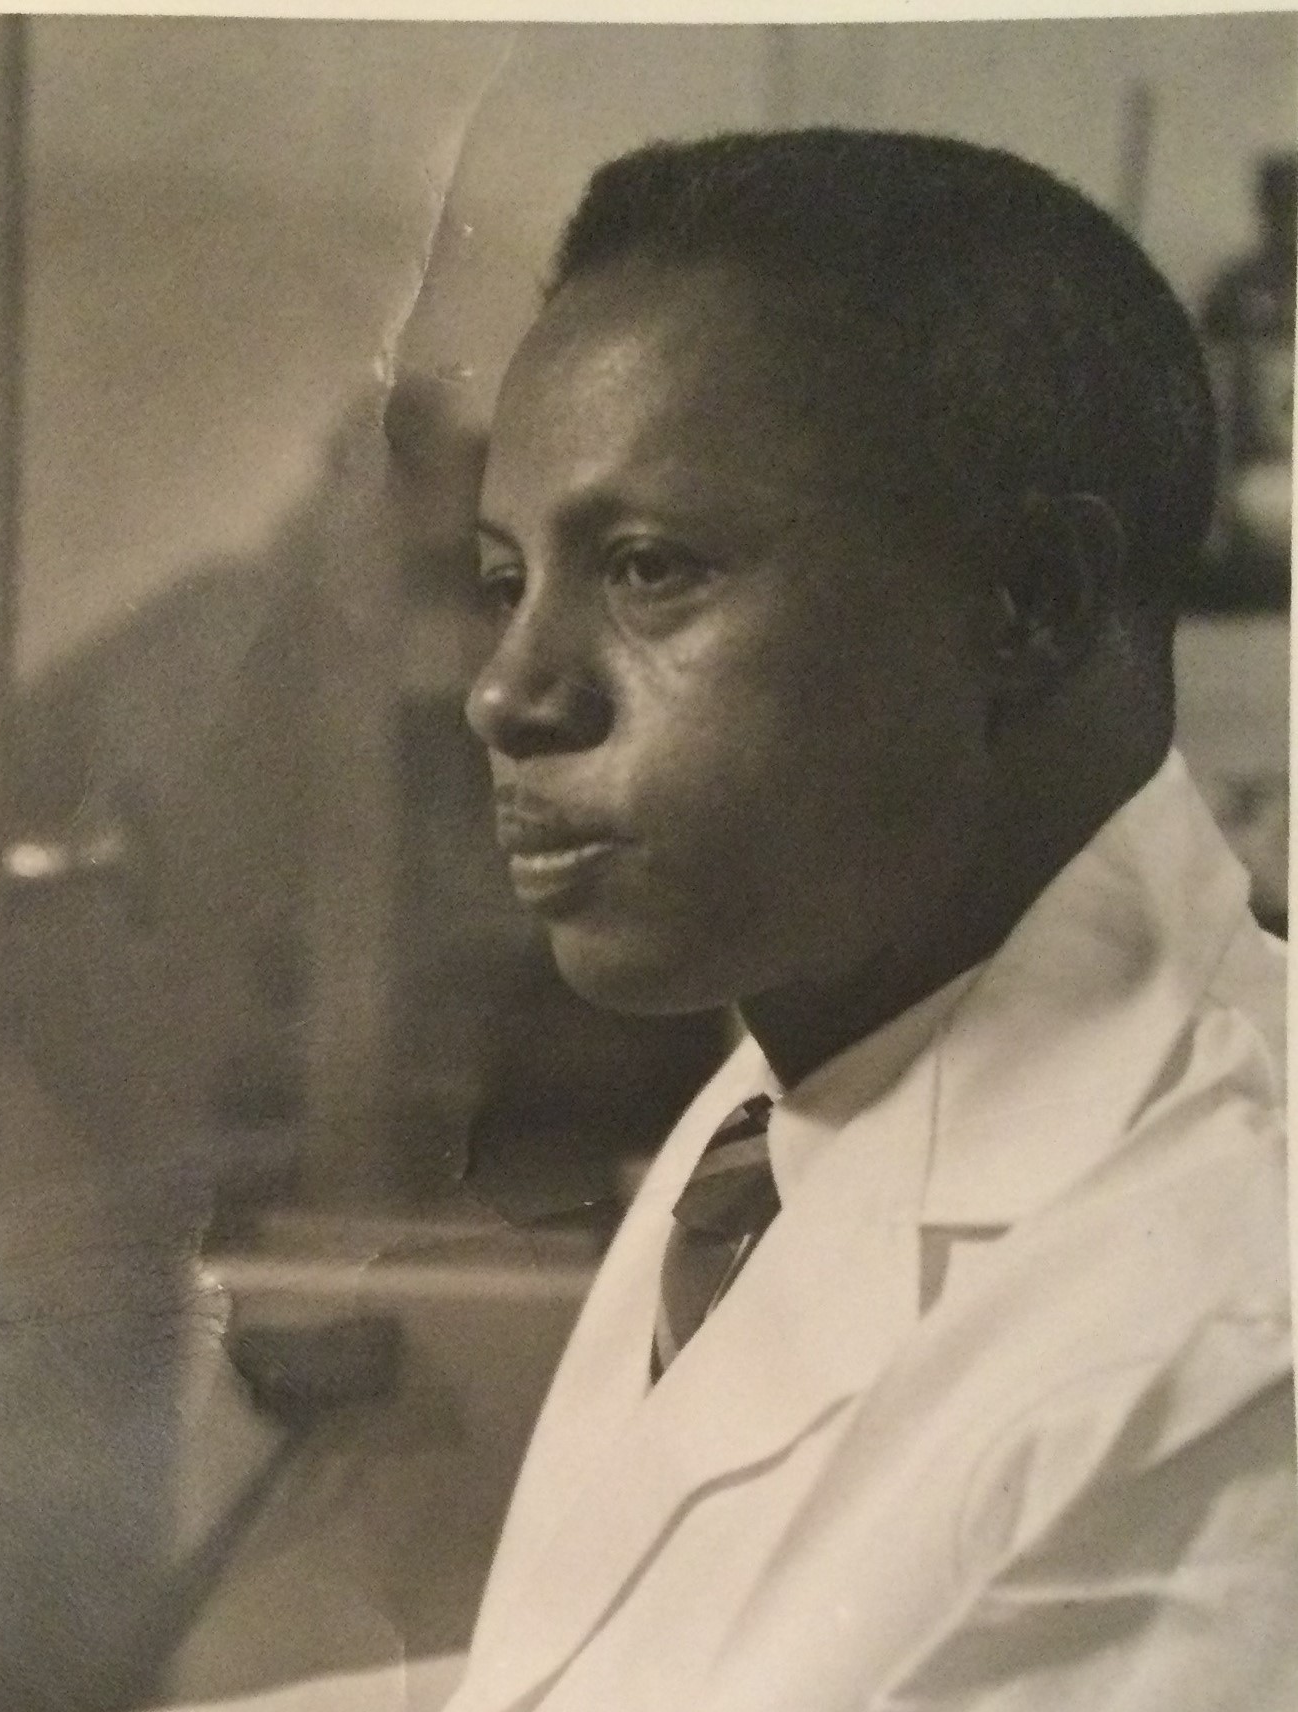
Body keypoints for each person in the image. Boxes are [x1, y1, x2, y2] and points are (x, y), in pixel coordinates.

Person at [447, 130, 1295, 1712]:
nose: (508, 690)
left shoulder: (1229, 1328)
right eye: (507, 580)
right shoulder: (805, 1083)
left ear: (1028, 604)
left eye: (647, 569)